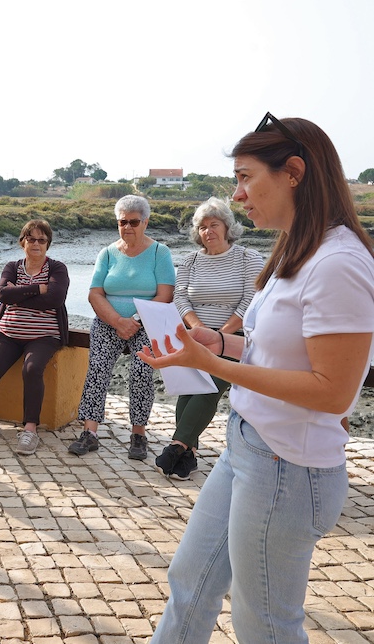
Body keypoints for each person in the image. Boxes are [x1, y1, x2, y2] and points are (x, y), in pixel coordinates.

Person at [139, 114, 374, 643]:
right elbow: (274, 351)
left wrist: (213, 366)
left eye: (246, 177)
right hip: (248, 445)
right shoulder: (297, 247)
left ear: (293, 172)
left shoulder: (339, 263)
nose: (238, 194)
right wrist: (215, 343)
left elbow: (333, 390)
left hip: (288, 469)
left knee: (264, 625)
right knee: (190, 586)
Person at [157, 197, 264, 479]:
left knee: (209, 386)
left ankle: (177, 444)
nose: (208, 231)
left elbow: (251, 301)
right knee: (189, 387)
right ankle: (188, 455)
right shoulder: (190, 260)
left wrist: (219, 336)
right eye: (202, 227)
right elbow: (180, 298)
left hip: (234, 338)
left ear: (227, 227)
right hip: (193, 335)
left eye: (213, 224)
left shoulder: (248, 258)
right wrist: (198, 331)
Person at [68, 194, 175, 460]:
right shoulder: (106, 253)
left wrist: (134, 321)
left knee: (141, 371)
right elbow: (95, 294)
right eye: (122, 222)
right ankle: (90, 433)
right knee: (97, 369)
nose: (128, 227)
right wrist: (117, 321)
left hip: (146, 322)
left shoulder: (160, 253)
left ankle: (138, 434)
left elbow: (165, 295)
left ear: (145, 222)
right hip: (109, 322)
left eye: (134, 222)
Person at [0, 219, 69, 455]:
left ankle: (30, 429)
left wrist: (18, 293)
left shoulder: (57, 268)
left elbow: (55, 299)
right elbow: (1, 294)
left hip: (43, 336)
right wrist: (38, 288)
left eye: (41, 239)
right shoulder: (12, 266)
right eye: (31, 239)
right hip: (8, 334)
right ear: (23, 242)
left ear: (48, 244)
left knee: (31, 368)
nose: (36, 244)